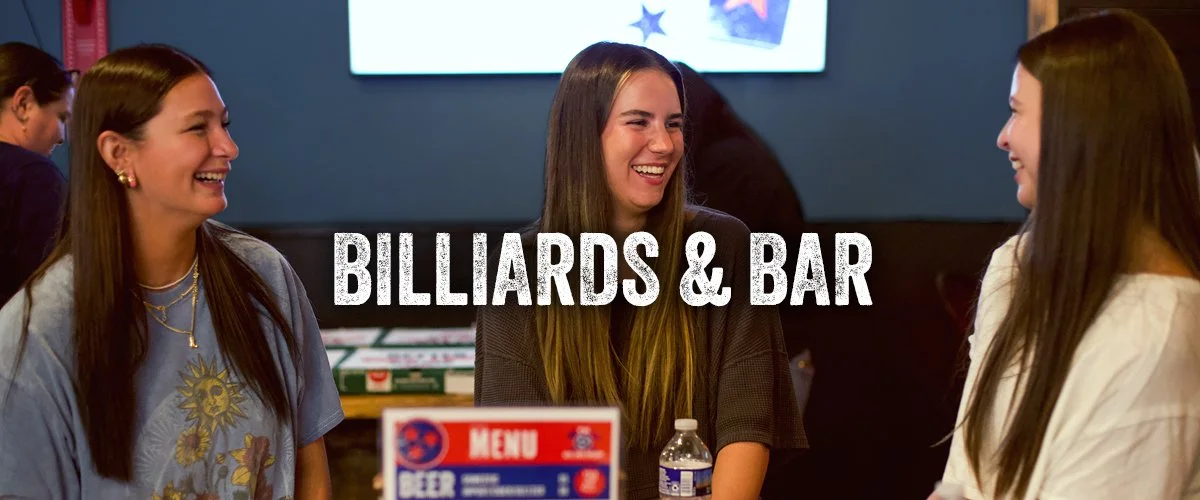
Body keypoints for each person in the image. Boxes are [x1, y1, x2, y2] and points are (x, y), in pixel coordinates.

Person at [0, 44, 344, 498]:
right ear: (119, 153)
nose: (228, 147)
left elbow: (308, 460)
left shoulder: (264, 276)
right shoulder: (36, 334)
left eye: (224, 124)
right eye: (197, 128)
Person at [474, 41, 808, 500]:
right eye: (639, 122)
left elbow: (746, 427)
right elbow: (512, 444)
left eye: (674, 124)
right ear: (583, 136)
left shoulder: (727, 248)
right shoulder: (518, 268)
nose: (665, 144)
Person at [932, 9, 1200, 500]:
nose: (1003, 137)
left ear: (1079, 130)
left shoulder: (1159, 333)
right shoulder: (1015, 267)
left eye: (1017, 111)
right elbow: (964, 478)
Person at [0, 41, 74, 308]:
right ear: (23, 103)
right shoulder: (33, 177)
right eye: (61, 117)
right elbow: (49, 302)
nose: (62, 137)